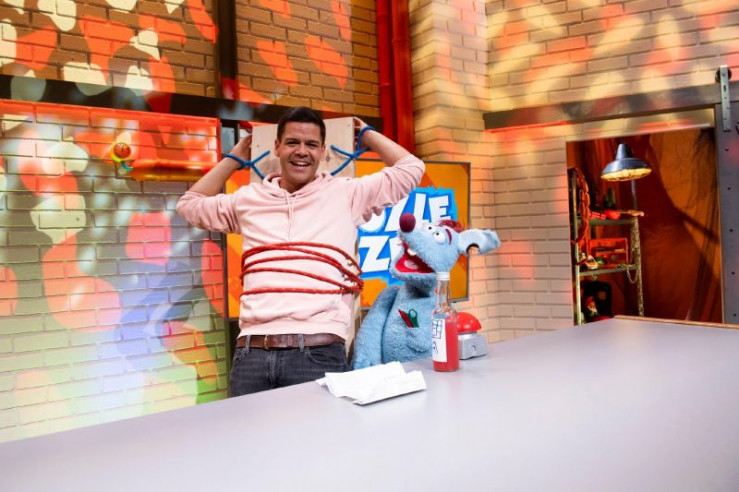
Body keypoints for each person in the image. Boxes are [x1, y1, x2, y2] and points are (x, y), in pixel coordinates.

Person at [176, 106, 424, 396]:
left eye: (311, 144)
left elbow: (411, 168)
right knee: (245, 429)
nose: (302, 151)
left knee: (319, 429)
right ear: (277, 147)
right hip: (251, 354)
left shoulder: (347, 194)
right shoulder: (247, 199)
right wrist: (235, 158)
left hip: (318, 352)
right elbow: (189, 204)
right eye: (292, 142)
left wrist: (367, 134)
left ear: (322, 152)